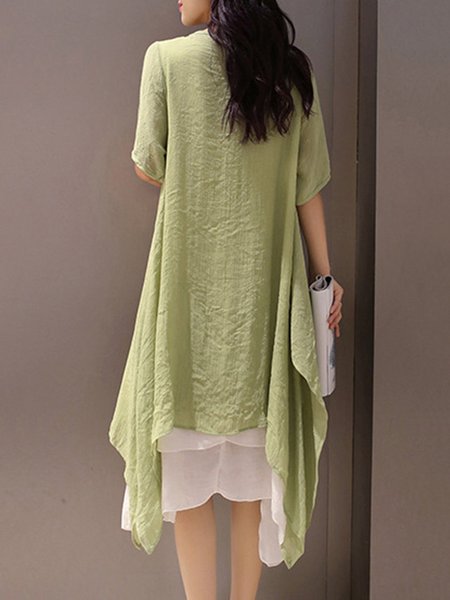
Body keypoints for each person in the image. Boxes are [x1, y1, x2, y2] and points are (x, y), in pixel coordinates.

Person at [109, 0, 344, 598]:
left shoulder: (165, 62)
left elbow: (149, 163)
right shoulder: (291, 73)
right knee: (251, 483)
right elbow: (307, 187)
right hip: (262, 298)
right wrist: (325, 277)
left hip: (187, 295)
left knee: (187, 482)